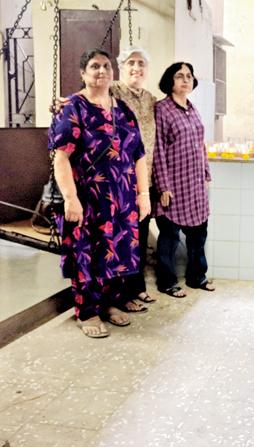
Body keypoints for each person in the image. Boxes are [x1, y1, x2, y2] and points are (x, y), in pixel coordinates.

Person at [49, 48, 150, 338]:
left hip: (122, 200)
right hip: (87, 199)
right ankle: (88, 311)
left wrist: (143, 194)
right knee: (86, 255)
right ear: (83, 73)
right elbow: (62, 157)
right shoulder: (74, 108)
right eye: (94, 66)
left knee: (116, 252)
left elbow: (139, 154)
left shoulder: (122, 110)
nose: (102, 71)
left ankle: (110, 303)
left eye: (106, 66)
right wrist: (70, 198)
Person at [153, 62, 214, 297]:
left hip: (195, 184)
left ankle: (197, 277)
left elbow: (200, 144)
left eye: (189, 76)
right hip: (174, 186)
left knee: (199, 234)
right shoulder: (162, 109)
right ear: (170, 81)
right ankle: (167, 282)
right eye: (180, 76)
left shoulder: (192, 107)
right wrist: (163, 187)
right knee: (169, 237)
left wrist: (206, 173)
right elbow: (158, 149)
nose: (185, 80)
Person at [111, 47, 158, 307]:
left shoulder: (151, 99)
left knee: (139, 236)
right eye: (131, 63)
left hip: (145, 180)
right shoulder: (113, 91)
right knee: (121, 239)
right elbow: (84, 99)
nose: (136, 68)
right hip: (119, 180)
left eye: (141, 63)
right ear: (122, 67)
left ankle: (136, 287)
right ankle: (120, 293)